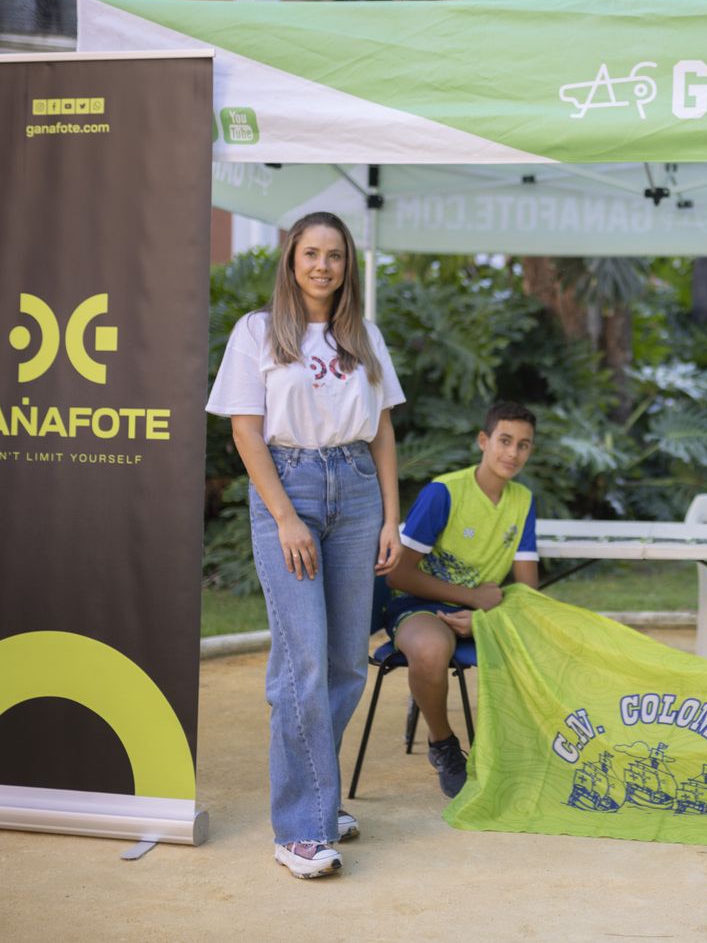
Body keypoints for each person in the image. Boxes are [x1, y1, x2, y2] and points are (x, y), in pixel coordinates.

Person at [207, 212, 404, 880]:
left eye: (335, 255)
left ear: (348, 266)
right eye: (311, 253)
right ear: (292, 259)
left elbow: (382, 430)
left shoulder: (364, 335)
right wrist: (285, 516)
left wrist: (391, 518)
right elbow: (245, 431)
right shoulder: (258, 331)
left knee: (347, 662)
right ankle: (299, 829)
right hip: (288, 487)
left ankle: (321, 795)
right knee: (303, 663)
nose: (323, 265)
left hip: (356, 489)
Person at [387, 400, 540, 797]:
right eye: (505, 440)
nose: (513, 453)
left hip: (479, 611)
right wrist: (471, 597)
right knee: (431, 649)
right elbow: (399, 574)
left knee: (545, 640)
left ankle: (523, 751)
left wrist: (484, 618)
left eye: (523, 445)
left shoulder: (523, 501)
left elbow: (527, 591)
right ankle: (443, 745)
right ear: (483, 441)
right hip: (419, 606)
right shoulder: (444, 493)